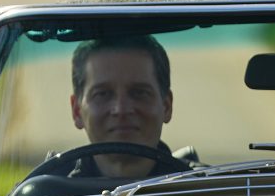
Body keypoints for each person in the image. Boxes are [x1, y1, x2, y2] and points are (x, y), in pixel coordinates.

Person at [66, 34, 190, 181]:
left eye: (139, 93)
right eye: (103, 94)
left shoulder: (205, 192)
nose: (121, 110)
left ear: (166, 106)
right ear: (77, 111)